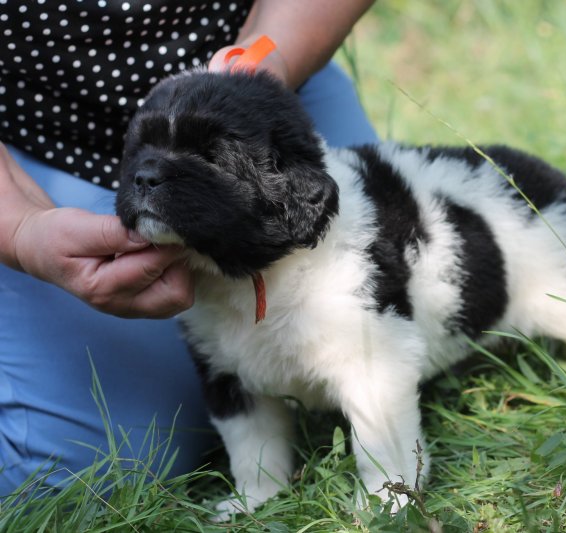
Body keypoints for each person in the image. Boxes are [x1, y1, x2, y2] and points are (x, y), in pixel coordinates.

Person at [0, 0, 377, 496]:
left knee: (372, 308)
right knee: (88, 468)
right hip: (40, 130)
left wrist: (269, 61)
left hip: (264, 83)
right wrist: (22, 228)